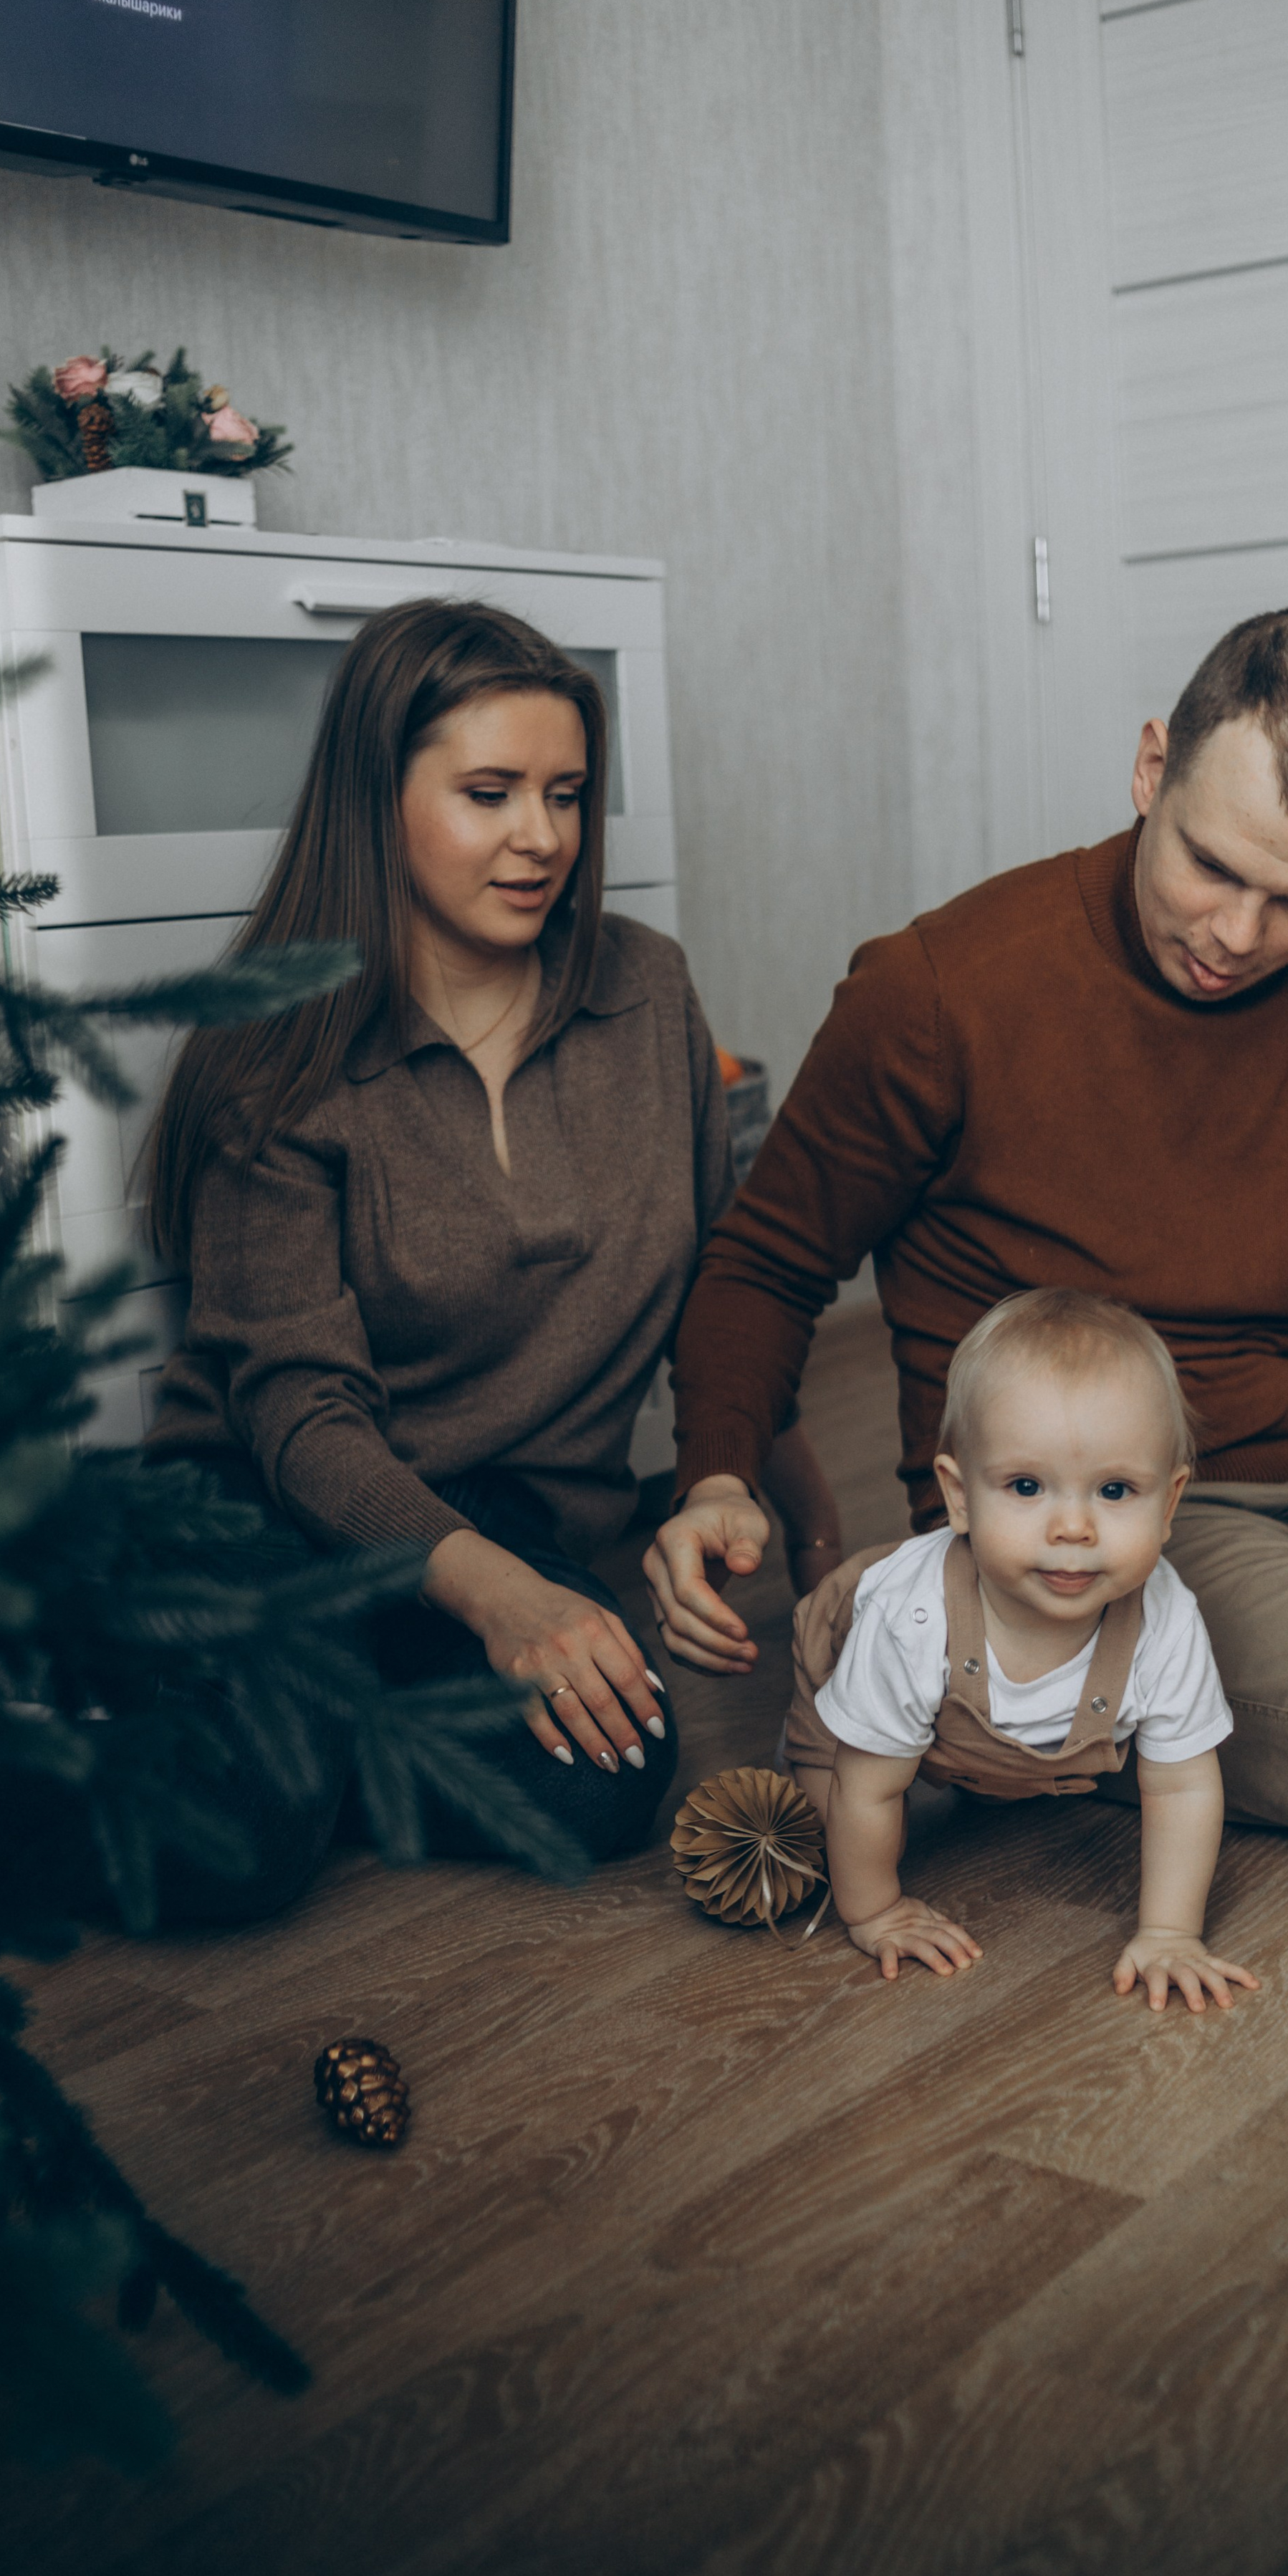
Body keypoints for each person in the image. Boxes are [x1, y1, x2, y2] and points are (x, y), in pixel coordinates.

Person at [647, 604, 1288, 1916]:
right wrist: (718, 1474)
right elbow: (768, 1261)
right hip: (1085, 1554)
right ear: (1152, 769)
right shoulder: (941, 989)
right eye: (1209, 864)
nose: (1238, 933)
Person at [142, 595, 837, 1918]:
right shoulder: (270, 1051)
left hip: (515, 1508)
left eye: (567, 795)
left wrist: (779, 1498)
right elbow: (296, 1412)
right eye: (490, 793)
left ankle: (248, 1729)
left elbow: (718, 1283)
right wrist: (501, 1604)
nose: (542, 839)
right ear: (377, 801)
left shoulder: (645, 990)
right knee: (229, 1845)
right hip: (274, 1507)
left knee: (606, 1781)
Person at [787, 1289, 1252, 2011]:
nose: (1072, 1526)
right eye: (1027, 1486)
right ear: (959, 1495)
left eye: (1115, 1489)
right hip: (843, 1662)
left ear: (1168, 1505)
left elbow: (1184, 1787)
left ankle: (981, 1776)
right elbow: (870, 1782)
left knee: (968, 1792)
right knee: (839, 1824)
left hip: (978, 1742)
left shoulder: (1165, 1618)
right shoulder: (909, 1617)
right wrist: (874, 1911)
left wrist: (1169, 1931)